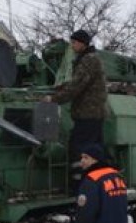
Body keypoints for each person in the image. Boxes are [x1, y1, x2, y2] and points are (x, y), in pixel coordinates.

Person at [45, 30, 107, 184]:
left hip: (87, 115)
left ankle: (81, 184)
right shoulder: (90, 59)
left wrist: (53, 99)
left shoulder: (88, 60)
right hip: (93, 115)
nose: (72, 46)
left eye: (74, 42)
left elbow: (76, 86)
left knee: (79, 150)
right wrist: (59, 89)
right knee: (94, 151)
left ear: (82, 43)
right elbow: (75, 84)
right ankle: (97, 180)